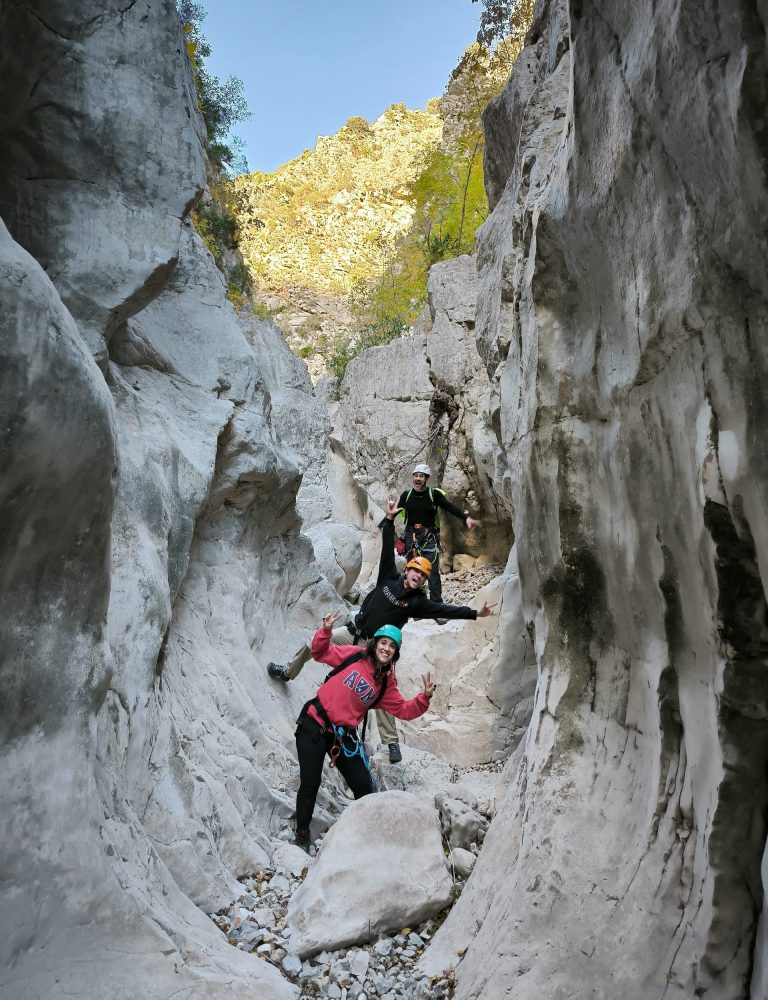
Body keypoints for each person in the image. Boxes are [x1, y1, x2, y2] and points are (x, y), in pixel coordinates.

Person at [268, 499, 495, 763]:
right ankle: (288, 672)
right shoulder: (388, 577)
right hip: (353, 631)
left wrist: (474, 613)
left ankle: (391, 742)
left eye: (422, 576)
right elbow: (388, 548)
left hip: (376, 649)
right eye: (415, 572)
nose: (418, 577)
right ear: (407, 571)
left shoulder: (417, 603)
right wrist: (388, 520)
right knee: (313, 644)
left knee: (382, 688)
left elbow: (445, 609)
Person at [294, 613, 435, 851]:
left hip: (341, 737)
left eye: (392, 646)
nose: (386, 648)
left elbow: (403, 710)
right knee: (310, 783)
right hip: (314, 723)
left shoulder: (386, 685)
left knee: (365, 789)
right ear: (375, 643)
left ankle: (366, 836)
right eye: (383, 643)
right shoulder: (355, 655)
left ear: (395, 654)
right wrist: (326, 631)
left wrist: (424, 698)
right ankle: (302, 835)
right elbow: (320, 653)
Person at [397, 464, 481, 602]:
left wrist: (466, 518)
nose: (418, 478)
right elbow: (393, 512)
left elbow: (449, 507)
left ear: (427, 478)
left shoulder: (434, 494)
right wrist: (380, 527)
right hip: (410, 537)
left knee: (432, 572)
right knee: (412, 571)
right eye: (416, 476)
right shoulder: (406, 495)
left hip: (429, 537)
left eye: (421, 476)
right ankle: (413, 603)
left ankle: (436, 604)